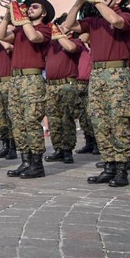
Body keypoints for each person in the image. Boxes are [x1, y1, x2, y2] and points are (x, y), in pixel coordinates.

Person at [64, 0, 130, 187]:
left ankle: (121, 168)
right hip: (98, 74)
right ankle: (108, 165)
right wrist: (79, 2)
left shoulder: (125, 15)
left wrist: (95, 1)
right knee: (99, 121)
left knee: (119, 121)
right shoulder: (94, 21)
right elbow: (68, 25)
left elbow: (117, 21)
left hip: (117, 73)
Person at [0, 0, 54, 179]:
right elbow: (0, 36)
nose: (30, 9)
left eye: (35, 7)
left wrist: (21, 16)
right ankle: (25, 160)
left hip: (32, 79)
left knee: (31, 120)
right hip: (15, 79)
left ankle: (37, 164)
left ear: (44, 12)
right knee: (17, 122)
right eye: (29, 7)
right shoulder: (20, 29)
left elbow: (33, 37)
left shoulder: (45, 29)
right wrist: (8, 14)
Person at [43, 16, 84, 166]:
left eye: (65, 25)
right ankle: (58, 148)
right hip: (51, 85)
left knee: (67, 118)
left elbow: (71, 48)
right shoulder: (52, 44)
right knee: (53, 120)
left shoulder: (75, 41)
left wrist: (59, 34)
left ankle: (67, 150)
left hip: (67, 84)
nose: (62, 27)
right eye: (61, 24)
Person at [0, 19, 16, 161]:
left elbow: (7, 46)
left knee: (10, 115)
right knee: (0, 117)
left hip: (9, 80)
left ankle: (13, 146)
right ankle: (5, 144)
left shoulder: (11, 41)